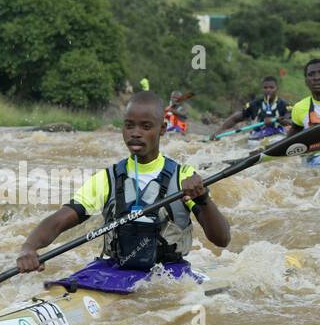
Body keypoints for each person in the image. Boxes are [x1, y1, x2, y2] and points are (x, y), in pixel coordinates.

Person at [15, 92, 230, 294]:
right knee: (56, 288)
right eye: (129, 126)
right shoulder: (107, 178)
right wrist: (29, 247)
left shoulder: (184, 177)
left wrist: (202, 198)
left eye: (146, 127)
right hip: (115, 270)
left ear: (162, 129)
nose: (135, 133)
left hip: (167, 275)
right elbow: (61, 219)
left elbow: (222, 239)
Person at [213, 75, 290, 139]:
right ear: (262, 89)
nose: (268, 90)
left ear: (277, 88)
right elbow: (235, 119)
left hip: (278, 134)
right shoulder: (254, 104)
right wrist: (219, 131)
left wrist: (277, 120)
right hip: (257, 135)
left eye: (271, 87)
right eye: (265, 88)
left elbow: (290, 121)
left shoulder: (284, 104)